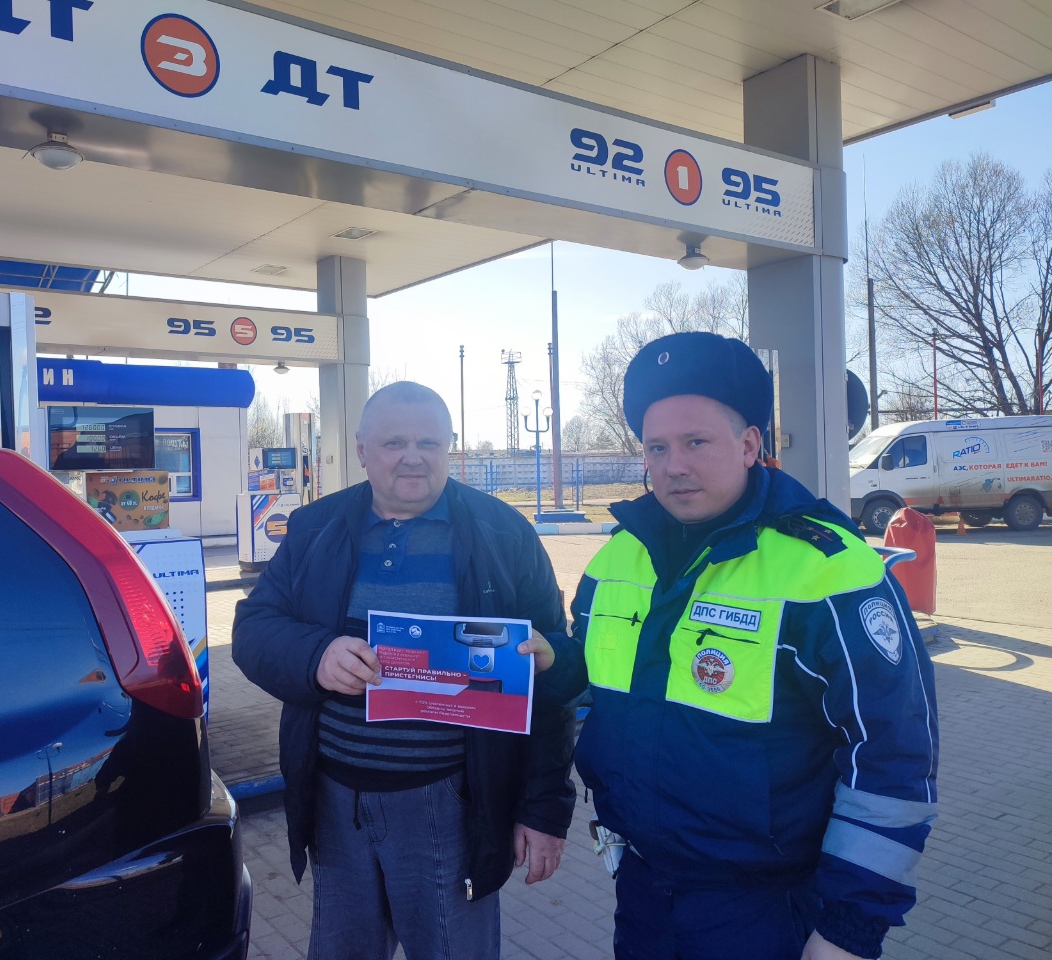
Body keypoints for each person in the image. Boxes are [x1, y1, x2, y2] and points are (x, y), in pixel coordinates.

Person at [569, 332, 939, 960]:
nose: (673, 465)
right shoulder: (618, 556)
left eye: (696, 442)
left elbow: (892, 754)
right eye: (657, 447)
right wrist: (549, 663)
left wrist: (849, 928)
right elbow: (593, 685)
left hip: (766, 910)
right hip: (642, 890)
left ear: (748, 446)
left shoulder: (827, 567)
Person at [232, 381, 580, 960]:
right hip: (335, 803)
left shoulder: (503, 534)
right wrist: (317, 656)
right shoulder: (315, 527)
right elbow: (253, 629)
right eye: (394, 443)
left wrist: (544, 810)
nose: (412, 457)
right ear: (362, 450)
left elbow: (552, 681)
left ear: (450, 448)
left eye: (429, 443)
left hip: (454, 805)